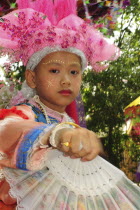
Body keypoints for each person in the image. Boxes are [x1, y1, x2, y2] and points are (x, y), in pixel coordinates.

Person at [0, 1, 139, 210]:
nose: (66, 80)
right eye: (54, 71)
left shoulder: (70, 123)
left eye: (74, 72)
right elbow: (6, 130)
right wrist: (56, 134)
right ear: (31, 78)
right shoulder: (26, 113)